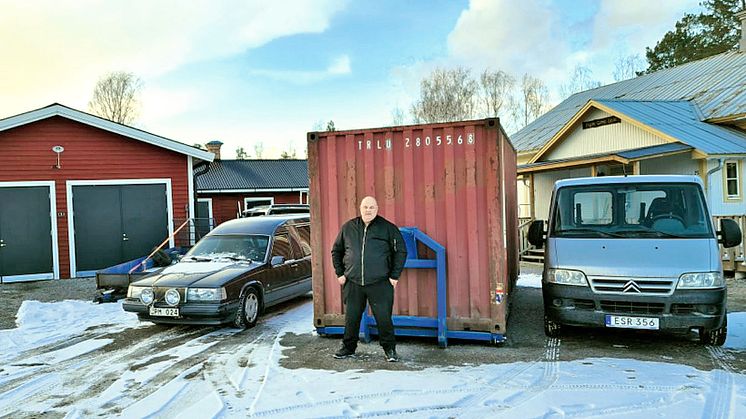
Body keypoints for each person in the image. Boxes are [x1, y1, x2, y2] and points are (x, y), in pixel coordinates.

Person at [331, 196, 407, 362]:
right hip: (353, 282)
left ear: (377, 208)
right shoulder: (349, 227)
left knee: (383, 318)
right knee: (352, 318)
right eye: (365, 207)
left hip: (380, 282)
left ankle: (390, 350)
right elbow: (336, 251)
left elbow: (401, 251)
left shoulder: (388, 228)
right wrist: (340, 273)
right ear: (360, 208)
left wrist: (394, 276)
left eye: (371, 207)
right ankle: (348, 348)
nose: (368, 210)